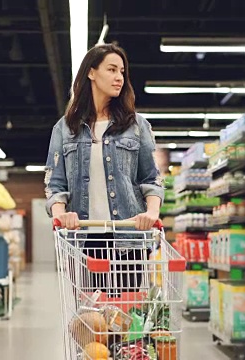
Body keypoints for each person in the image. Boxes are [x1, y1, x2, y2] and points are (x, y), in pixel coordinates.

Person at [44, 43, 164, 294]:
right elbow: (54, 183)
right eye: (111, 69)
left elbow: (151, 178)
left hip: (129, 236)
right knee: (91, 323)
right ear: (91, 72)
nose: (119, 77)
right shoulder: (65, 128)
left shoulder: (137, 126)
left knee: (124, 321)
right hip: (83, 239)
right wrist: (61, 213)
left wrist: (151, 213)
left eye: (122, 71)